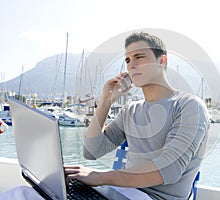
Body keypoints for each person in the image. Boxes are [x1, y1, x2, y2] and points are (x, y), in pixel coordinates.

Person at [64, 32, 211, 200]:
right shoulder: (130, 110)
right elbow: (91, 151)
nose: (131, 65)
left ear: (162, 61)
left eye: (139, 57)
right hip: (122, 192)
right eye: (127, 60)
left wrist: (99, 177)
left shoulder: (189, 106)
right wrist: (105, 101)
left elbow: (168, 171)